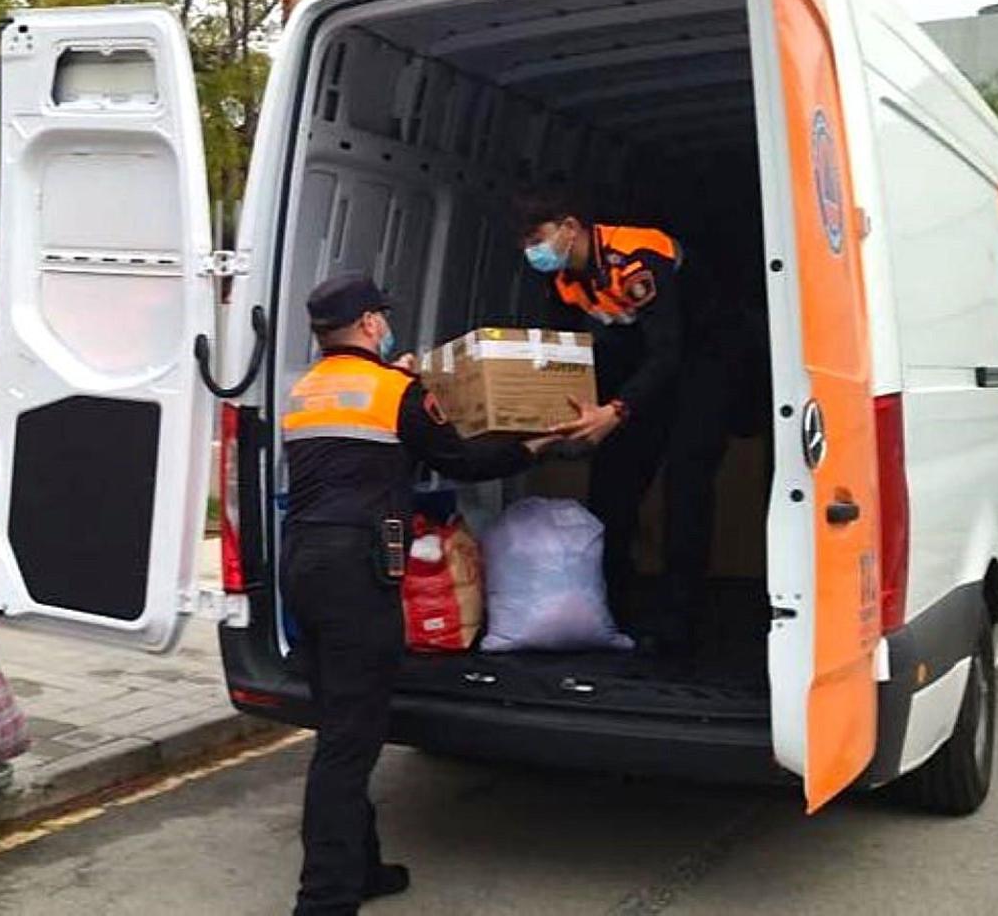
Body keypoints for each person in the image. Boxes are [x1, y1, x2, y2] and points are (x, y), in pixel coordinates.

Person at [282, 276, 559, 915]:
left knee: (341, 724)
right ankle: (323, 900)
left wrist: (402, 383)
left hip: (304, 563)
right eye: (382, 315)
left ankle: (363, 867)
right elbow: (459, 461)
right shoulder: (396, 392)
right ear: (373, 325)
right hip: (356, 572)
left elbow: (364, 427)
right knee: (349, 743)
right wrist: (533, 446)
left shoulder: (306, 391)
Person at [517, 194, 740, 656]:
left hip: (703, 359)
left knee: (686, 483)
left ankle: (681, 626)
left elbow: (668, 349)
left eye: (538, 239)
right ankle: (611, 606)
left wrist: (615, 411)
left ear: (570, 227)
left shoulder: (636, 256)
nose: (532, 253)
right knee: (613, 480)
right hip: (648, 363)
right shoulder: (563, 279)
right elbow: (562, 353)